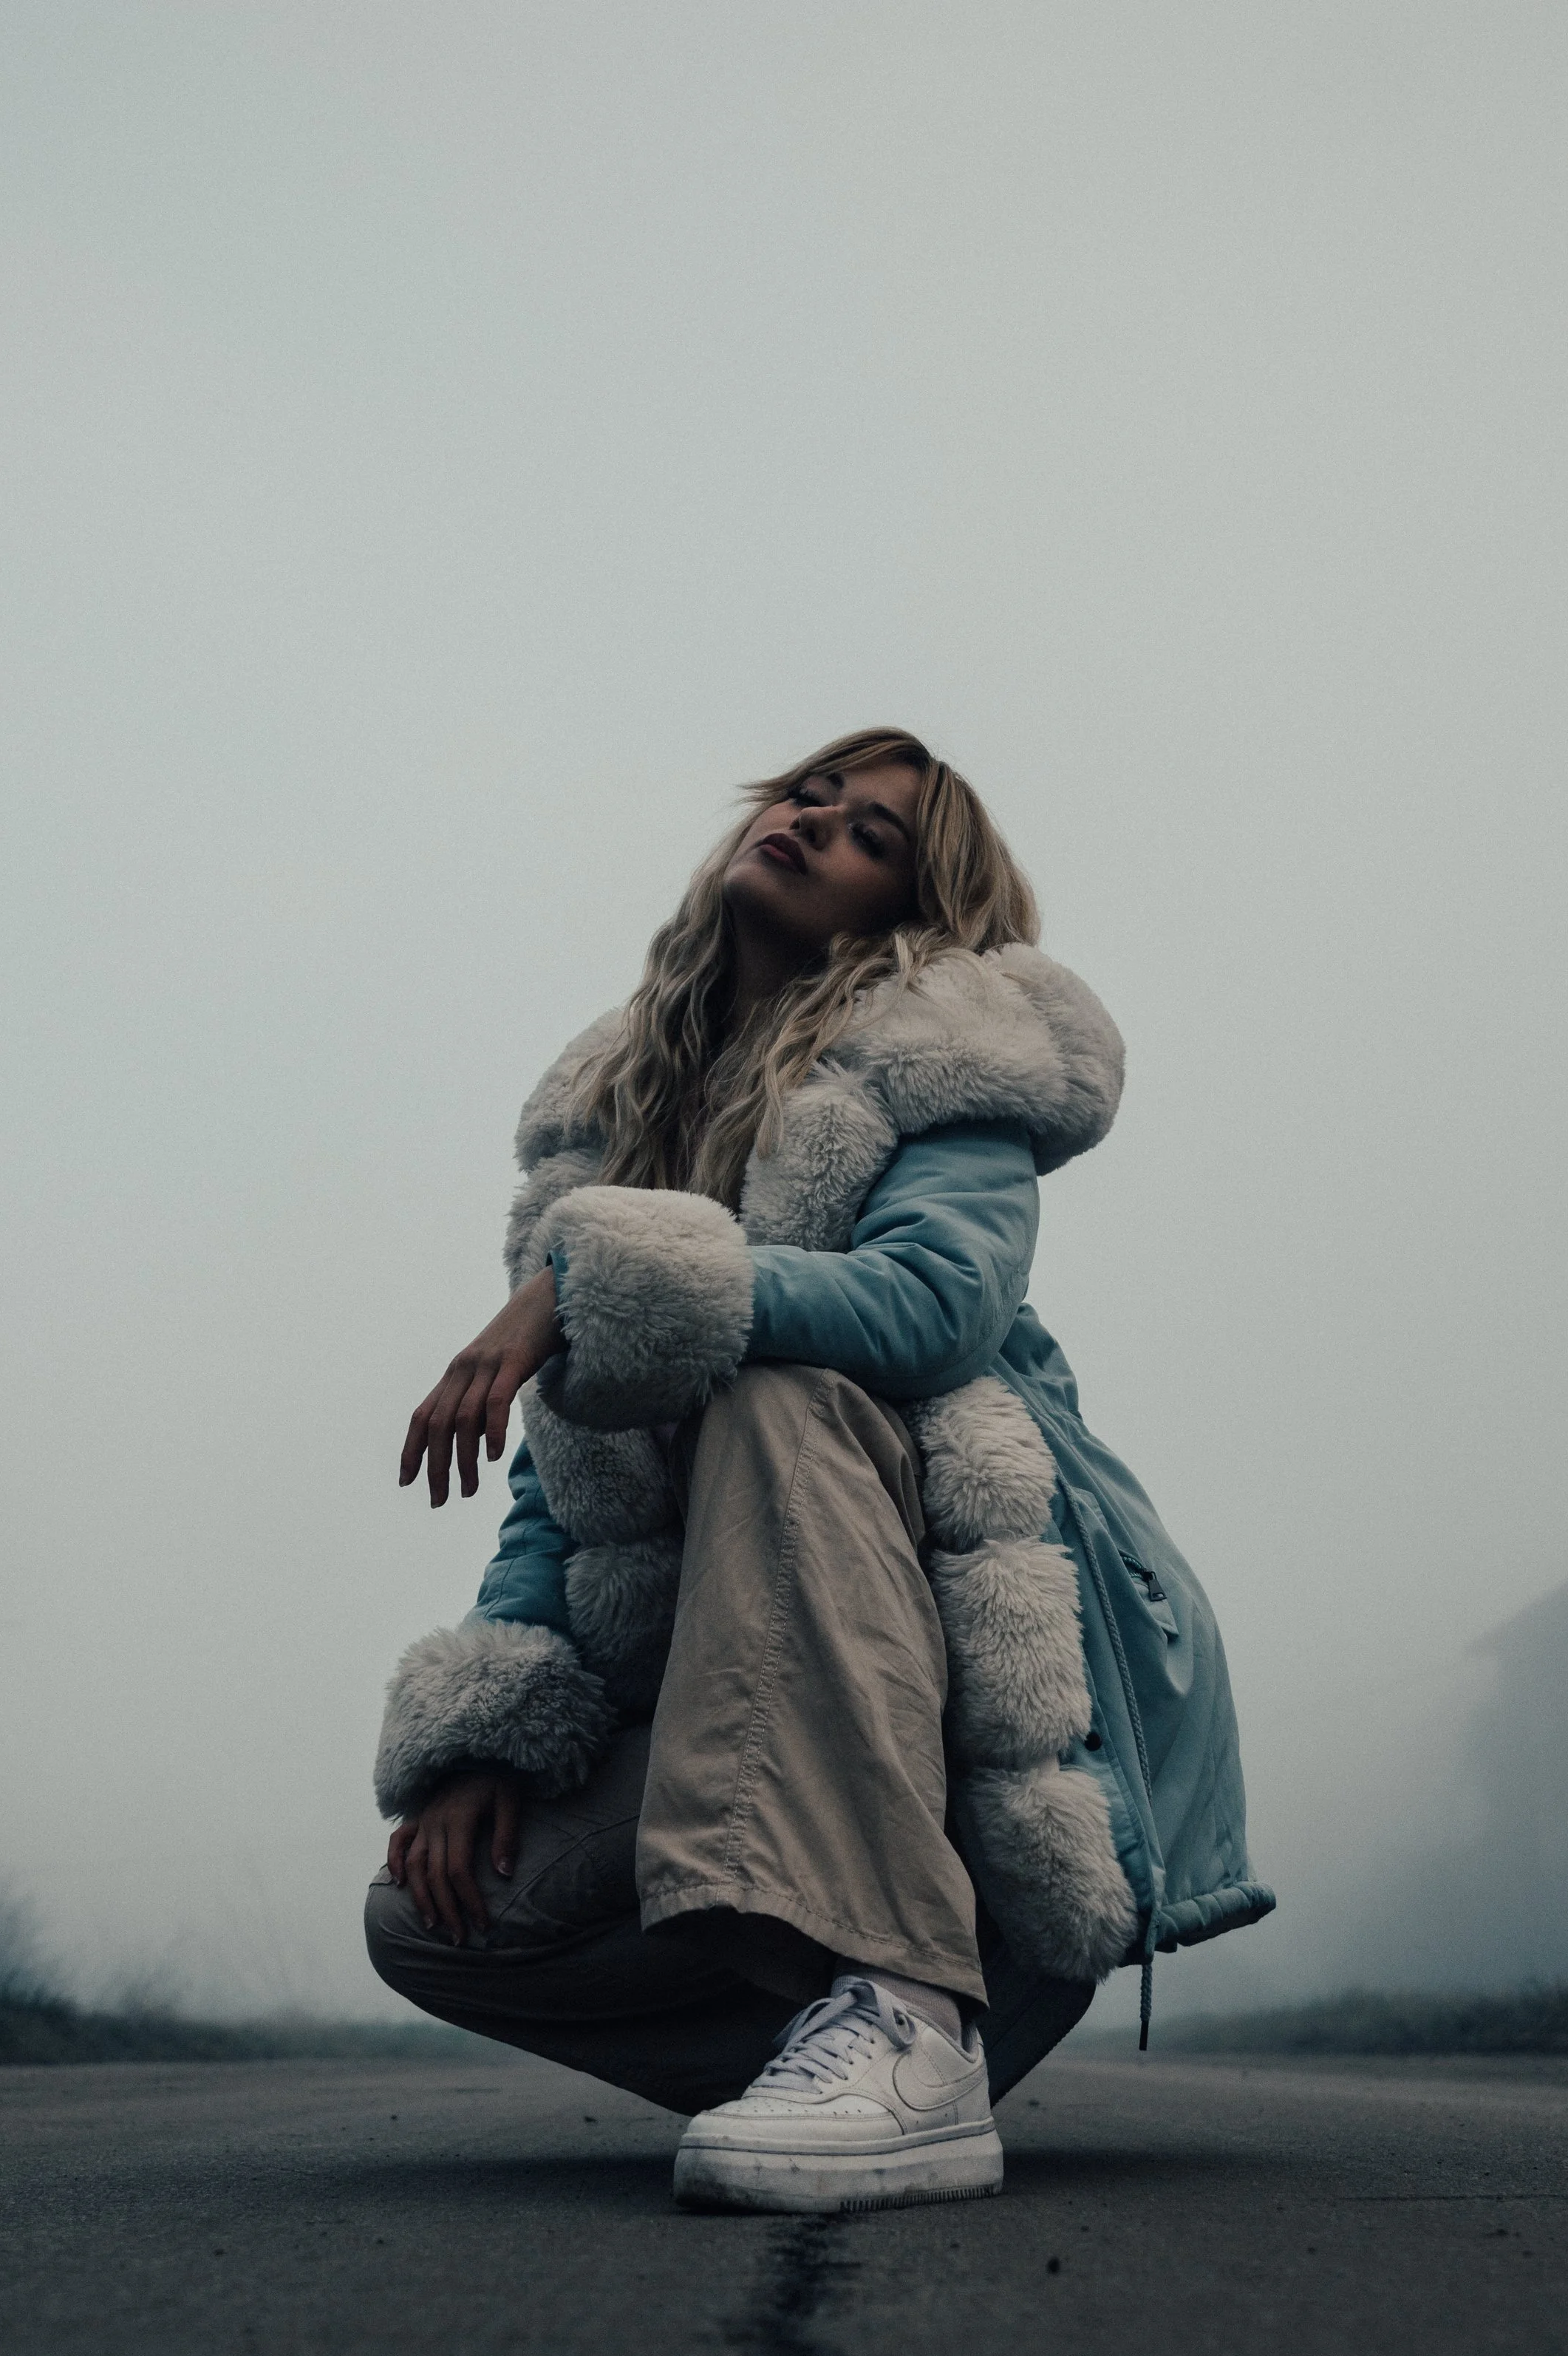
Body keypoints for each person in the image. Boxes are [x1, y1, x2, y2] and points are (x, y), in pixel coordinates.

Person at [366, 727, 1269, 2212]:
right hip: (767, 1724)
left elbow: (930, 1309)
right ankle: (830, 2036)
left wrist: (586, 1283)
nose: (813, 821)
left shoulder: (938, 1064)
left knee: (778, 1384)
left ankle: (907, 2009)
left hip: (961, 1723)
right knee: (434, 1916)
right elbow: (569, 1476)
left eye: (868, 833)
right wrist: (487, 1736)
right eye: (806, 795)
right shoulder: (622, 1125)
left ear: (907, 913)